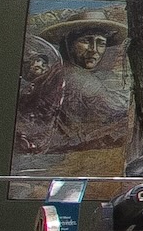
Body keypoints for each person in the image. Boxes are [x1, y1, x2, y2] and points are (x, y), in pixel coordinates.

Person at [37, 9, 133, 149]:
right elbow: (117, 113)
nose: (94, 50)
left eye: (100, 43)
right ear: (68, 43)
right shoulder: (76, 78)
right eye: (86, 41)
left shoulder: (60, 71)